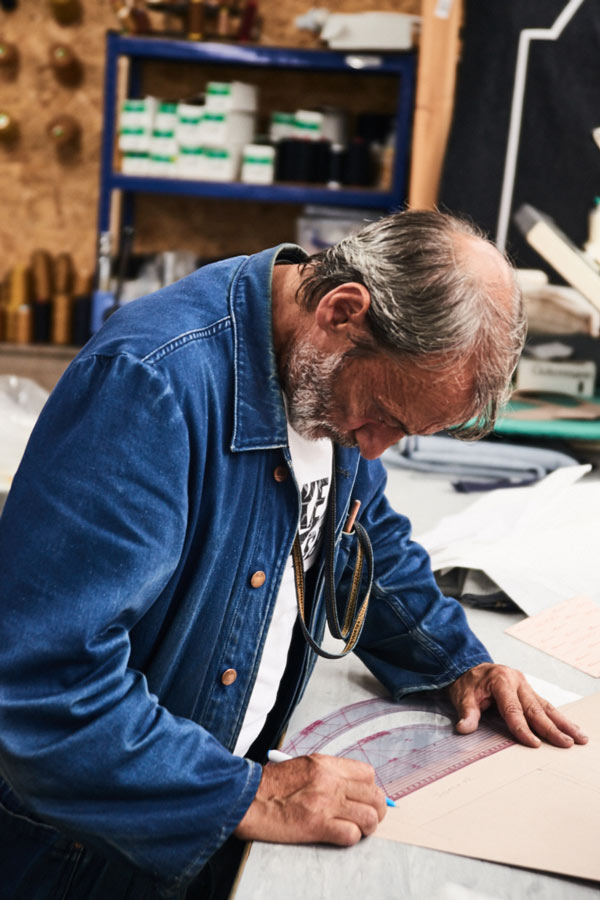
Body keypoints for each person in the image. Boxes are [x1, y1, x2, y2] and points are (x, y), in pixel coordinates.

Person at [0, 210, 587, 900]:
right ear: (343, 311)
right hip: (84, 856)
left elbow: (361, 545)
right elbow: (42, 683)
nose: (372, 449)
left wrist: (460, 664)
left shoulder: (323, 377)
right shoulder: (151, 386)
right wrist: (248, 795)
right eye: (384, 418)